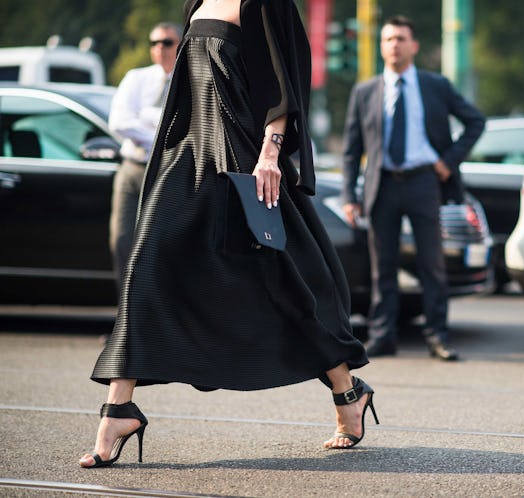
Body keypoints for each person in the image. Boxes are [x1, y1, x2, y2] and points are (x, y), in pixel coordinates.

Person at [79, 0, 378, 468]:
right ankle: (119, 409)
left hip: (245, 158)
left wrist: (270, 154)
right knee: (146, 266)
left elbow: (283, 84)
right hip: (191, 156)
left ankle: (347, 390)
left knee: (285, 278)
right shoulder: (196, 3)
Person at [341, 15, 485, 361]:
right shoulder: (365, 91)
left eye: (401, 38)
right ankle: (383, 337)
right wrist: (350, 197)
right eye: (388, 39)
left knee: (431, 264)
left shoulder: (436, 86)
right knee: (383, 266)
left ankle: (438, 337)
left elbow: (475, 122)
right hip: (383, 185)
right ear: (381, 47)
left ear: (414, 45)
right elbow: (351, 149)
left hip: (424, 181)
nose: (394, 45)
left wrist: (447, 161)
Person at [108, 22, 182, 290]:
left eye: (167, 42)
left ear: (181, 45)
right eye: (154, 43)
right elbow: (119, 122)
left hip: (167, 171)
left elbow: (189, 129)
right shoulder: (136, 78)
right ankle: (125, 325)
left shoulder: (189, 83)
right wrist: (162, 135)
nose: (159, 48)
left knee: (162, 247)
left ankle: (154, 326)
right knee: (122, 241)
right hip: (132, 169)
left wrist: (145, 119)